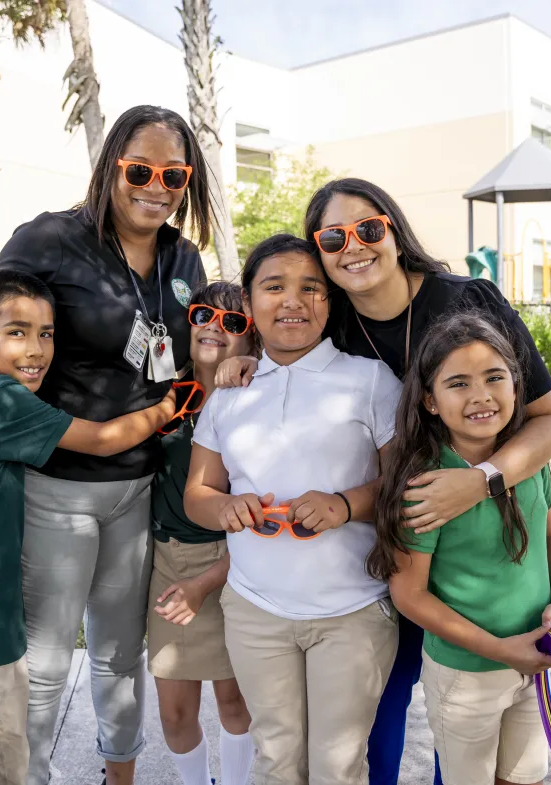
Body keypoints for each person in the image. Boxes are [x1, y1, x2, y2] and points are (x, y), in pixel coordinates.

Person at [215, 178, 551, 785]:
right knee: (384, 710)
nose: (353, 246)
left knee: (471, 718)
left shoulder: (468, 301)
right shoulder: (339, 326)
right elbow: (288, 343)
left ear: (393, 230)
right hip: (392, 546)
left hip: (481, 534)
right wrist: (245, 352)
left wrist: (480, 483)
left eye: (367, 229)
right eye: (333, 237)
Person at [0, 105, 213, 785]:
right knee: (46, 662)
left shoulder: (182, 257)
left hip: (138, 490)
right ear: (110, 166)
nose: (155, 185)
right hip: (56, 487)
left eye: (173, 173)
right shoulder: (50, 240)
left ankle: (120, 775)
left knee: (118, 653)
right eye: (139, 169)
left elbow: (199, 354)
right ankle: (33, 775)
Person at [0, 271, 176, 785]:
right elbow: (104, 439)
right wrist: (169, 407)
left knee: (10, 772)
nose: (37, 349)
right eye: (17, 332)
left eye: (46, 333)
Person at [184, 234, 402, 785]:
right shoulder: (231, 393)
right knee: (276, 760)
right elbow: (198, 495)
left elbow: (403, 483)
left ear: (330, 301)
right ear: (251, 303)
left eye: (311, 288)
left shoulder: (369, 380)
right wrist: (228, 507)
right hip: (256, 609)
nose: (293, 301)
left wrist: (344, 504)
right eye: (273, 287)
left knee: (338, 765)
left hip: (352, 611)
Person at [370, 311, 551, 785]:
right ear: (431, 401)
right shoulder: (426, 486)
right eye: (458, 383)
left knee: (524, 778)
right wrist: (502, 650)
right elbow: (410, 595)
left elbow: (550, 535)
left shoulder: (528, 460)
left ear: (517, 386)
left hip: (535, 658)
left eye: (495, 377)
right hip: (466, 674)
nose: (481, 395)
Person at [148, 281, 256, 785]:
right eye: (203, 315)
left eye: (233, 322)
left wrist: (207, 583)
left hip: (234, 561)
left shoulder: (257, 401)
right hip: (169, 559)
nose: (215, 327)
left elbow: (260, 518)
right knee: (173, 710)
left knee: (235, 701)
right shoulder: (163, 392)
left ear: (250, 340)